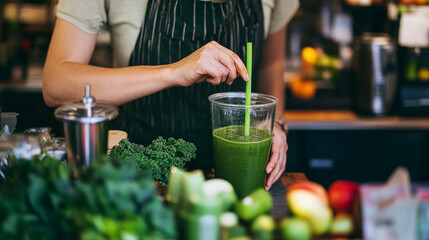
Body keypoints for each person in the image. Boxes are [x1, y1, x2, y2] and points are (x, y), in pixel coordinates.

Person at [43, 0, 299, 190]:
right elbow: (56, 83)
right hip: (138, 182)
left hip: (234, 184)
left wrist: (273, 123)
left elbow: (270, 64)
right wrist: (173, 72)